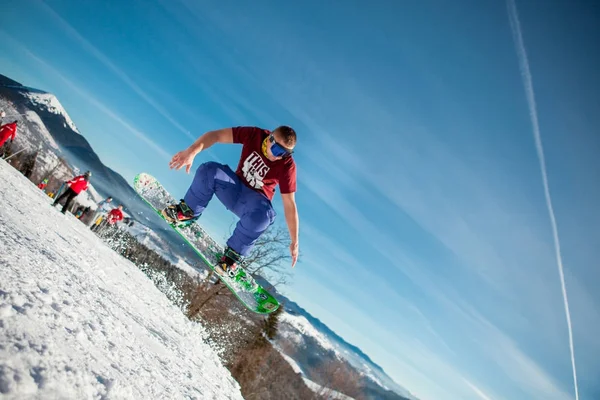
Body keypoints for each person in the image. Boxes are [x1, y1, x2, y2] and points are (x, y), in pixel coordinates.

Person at [163, 125, 300, 274]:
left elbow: (289, 204)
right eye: (277, 150)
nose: (279, 156)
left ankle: (232, 256)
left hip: (253, 204)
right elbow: (215, 134)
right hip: (233, 187)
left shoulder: (287, 165)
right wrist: (192, 151)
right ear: (270, 139)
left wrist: (294, 240)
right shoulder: (254, 134)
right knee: (209, 170)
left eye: (285, 154)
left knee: (265, 215)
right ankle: (187, 212)